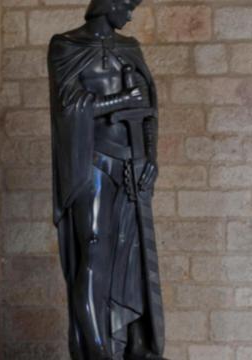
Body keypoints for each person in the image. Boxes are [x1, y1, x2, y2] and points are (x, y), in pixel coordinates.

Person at [47, 0, 164, 358]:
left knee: (131, 255)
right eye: (127, 5)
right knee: (94, 251)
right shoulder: (66, 46)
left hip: (131, 164)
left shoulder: (130, 48)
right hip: (92, 163)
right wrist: (119, 99)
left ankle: (134, 344)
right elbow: (69, 107)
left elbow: (148, 110)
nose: (129, 15)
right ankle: (96, 351)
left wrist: (151, 159)